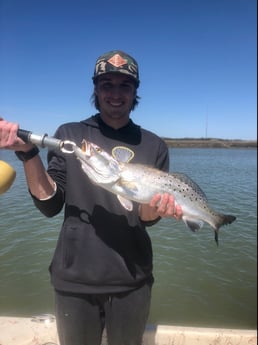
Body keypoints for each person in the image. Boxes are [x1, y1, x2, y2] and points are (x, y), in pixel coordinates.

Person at [0, 50, 182, 345]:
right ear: (95, 89)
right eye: (106, 84)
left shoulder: (154, 145)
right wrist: (28, 152)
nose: (115, 93)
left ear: (135, 92)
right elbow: (50, 204)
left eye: (125, 85)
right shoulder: (71, 134)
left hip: (132, 280)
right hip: (74, 279)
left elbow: (146, 218)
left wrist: (159, 207)